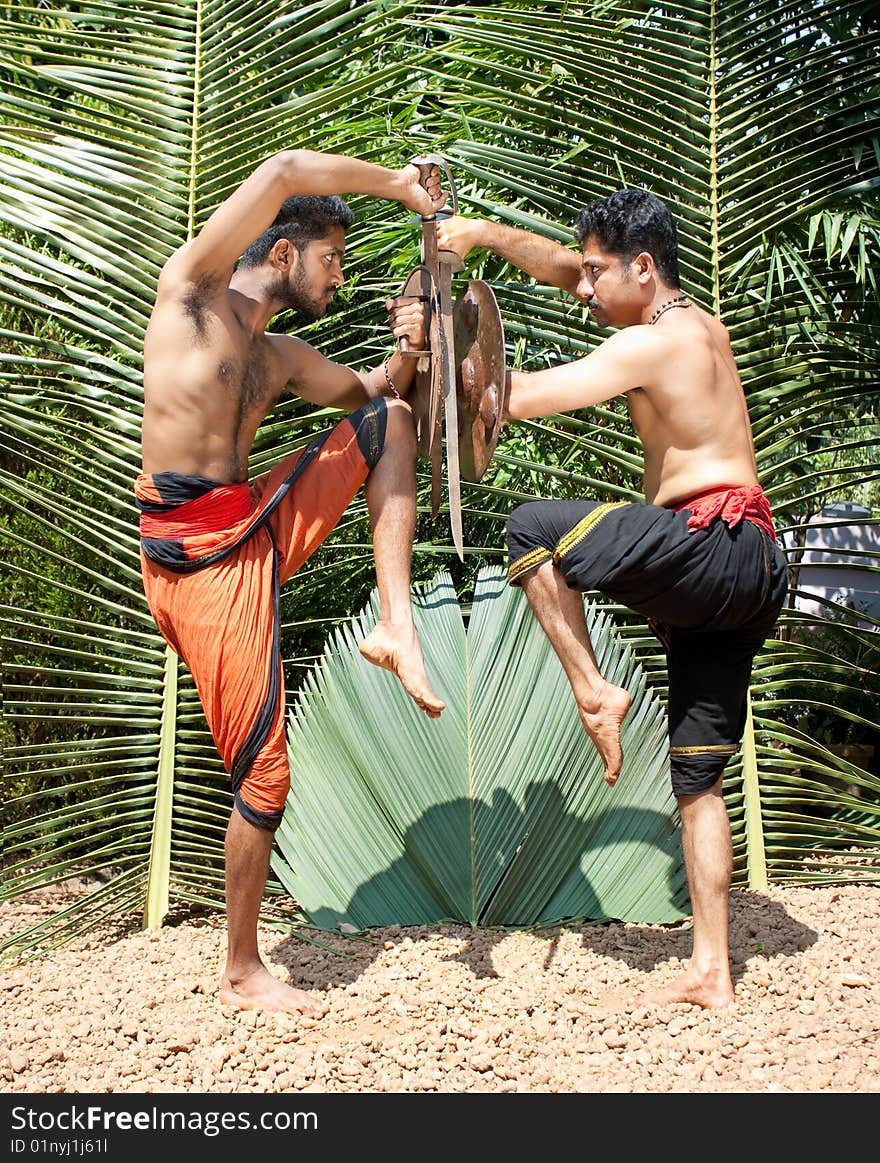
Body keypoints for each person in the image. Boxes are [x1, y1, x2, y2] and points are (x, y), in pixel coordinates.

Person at [437, 190, 789, 1010]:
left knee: (531, 530)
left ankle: (595, 690)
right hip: (754, 568)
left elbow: (513, 396)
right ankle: (712, 969)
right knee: (698, 779)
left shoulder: (653, 344)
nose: (584, 290)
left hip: (708, 543)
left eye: (600, 273)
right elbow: (568, 269)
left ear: (642, 266)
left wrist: (430, 355)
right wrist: (484, 234)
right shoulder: (696, 321)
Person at [136, 149, 448, 1015]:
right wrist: (400, 186)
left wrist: (409, 347)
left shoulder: (279, 355)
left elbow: (377, 392)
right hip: (195, 560)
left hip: (251, 523)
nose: (339, 277)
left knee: (388, 419)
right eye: (333, 258)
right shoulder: (191, 297)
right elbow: (279, 170)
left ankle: (397, 625)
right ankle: (242, 969)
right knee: (264, 776)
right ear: (285, 253)